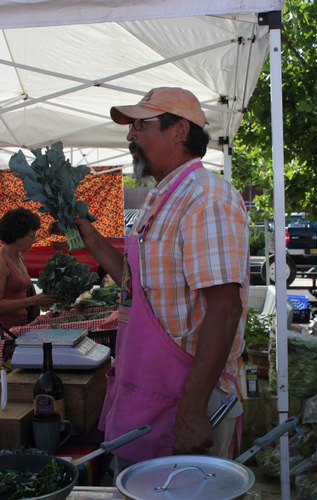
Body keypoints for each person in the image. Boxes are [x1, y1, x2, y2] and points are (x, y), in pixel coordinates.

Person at [72, 87, 249, 475]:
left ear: (179, 130)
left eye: (140, 124)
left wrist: (190, 412)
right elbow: (139, 288)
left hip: (188, 394)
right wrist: (91, 239)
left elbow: (225, 307)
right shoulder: (162, 197)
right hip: (151, 388)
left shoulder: (206, 198)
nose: (130, 136)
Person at [0, 207, 59, 330]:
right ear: (17, 236)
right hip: (5, 333)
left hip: (20, 328)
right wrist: (34, 300)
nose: (35, 240)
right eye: (31, 236)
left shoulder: (18, 256)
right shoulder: (2, 261)